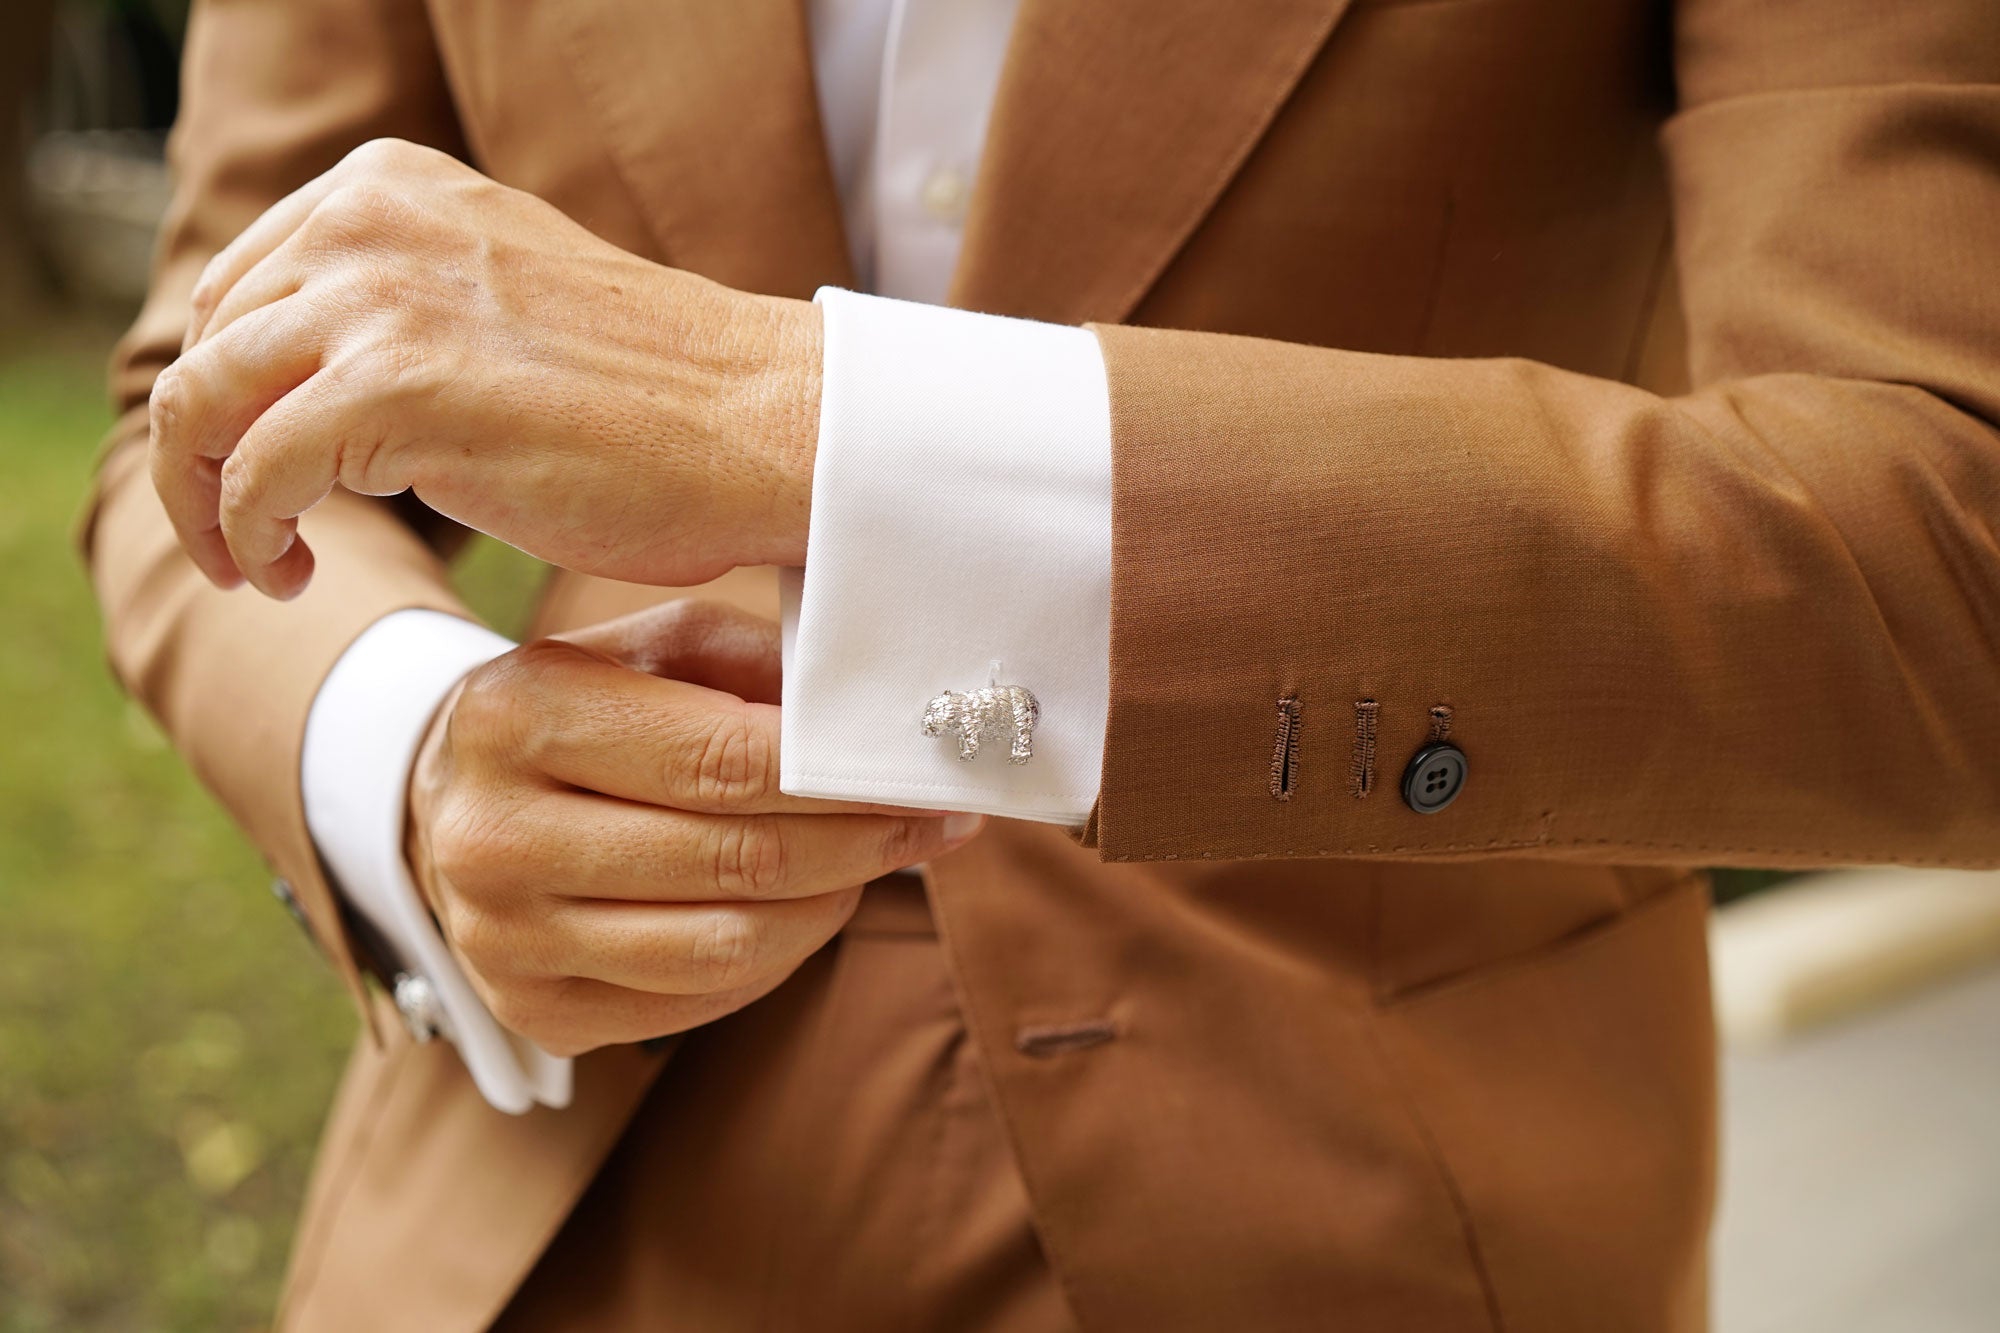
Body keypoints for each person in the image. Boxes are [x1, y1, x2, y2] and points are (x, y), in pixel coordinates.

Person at [85, 0, 2000, 1328]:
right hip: (536, 1209)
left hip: (1368, 1218)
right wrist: (406, 754)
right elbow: (216, 384)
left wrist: (807, 420)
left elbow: (1944, 548)